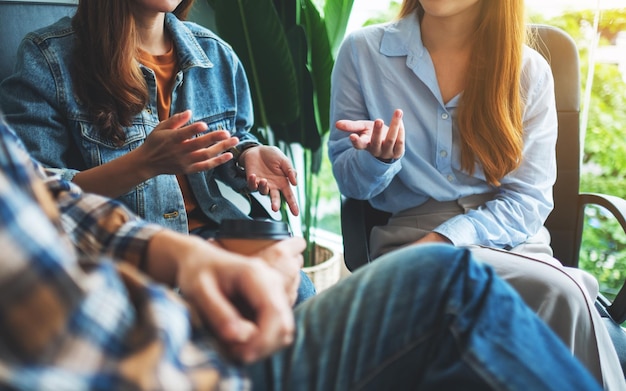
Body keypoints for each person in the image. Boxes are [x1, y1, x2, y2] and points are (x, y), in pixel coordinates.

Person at [0, 114, 602, 391]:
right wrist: (141, 165)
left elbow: (43, 192)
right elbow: (357, 187)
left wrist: (191, 244)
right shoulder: (48, 57)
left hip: (198, 285)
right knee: (445, 283)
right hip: (159, 361)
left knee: (556, 292)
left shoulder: (212, 50)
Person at [328, 0, 624, 389]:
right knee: (563, 295)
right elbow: (351, 185)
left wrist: (443, 240)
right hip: (408, 242)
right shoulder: (363, 52)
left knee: (558, 295)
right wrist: (379, 161)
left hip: (509, 243)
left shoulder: (528, 70)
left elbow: (528, 201)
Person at [0, 0, 316, 302]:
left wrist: (247, 153)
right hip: (121, 255)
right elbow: (33, 194)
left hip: (214, 238)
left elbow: (232, 138)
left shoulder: (216, 55)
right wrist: (143, 164)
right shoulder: (49, 59)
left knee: (296, 290)